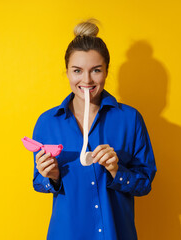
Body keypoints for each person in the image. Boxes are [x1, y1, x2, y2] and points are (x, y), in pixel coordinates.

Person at [32, 19, 157, 240]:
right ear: (67, 72)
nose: (86, 80)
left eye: (96, 70)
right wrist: (51, 177)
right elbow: (38, 183)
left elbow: (145, 184)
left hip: (116, 234)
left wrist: (117, 171)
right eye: (77, 70)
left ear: (107, 71)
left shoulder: (130, 119)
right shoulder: (48, 122)